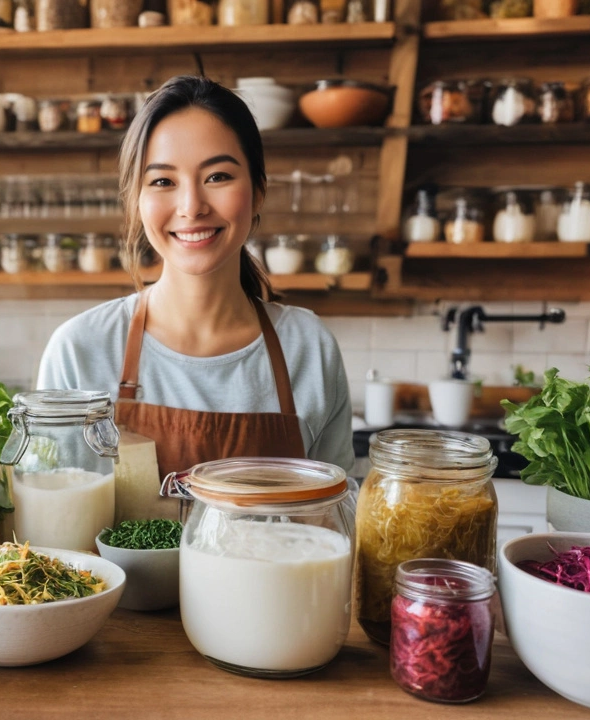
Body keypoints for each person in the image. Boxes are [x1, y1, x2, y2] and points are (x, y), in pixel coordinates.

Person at [36, 75, 354, 477]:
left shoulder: (308, 349)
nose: (191, 206)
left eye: (218, 176)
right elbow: (51, 530)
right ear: (136, 201)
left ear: (258, 190)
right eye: (163, 181)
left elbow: (334, 519)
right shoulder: (81, 350)